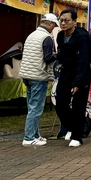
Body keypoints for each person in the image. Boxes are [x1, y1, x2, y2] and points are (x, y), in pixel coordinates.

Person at [18, 13, 58, 146]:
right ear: (50, 24)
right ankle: (29, 137)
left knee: (31, 107)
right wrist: (57, 55)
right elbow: (47, 58)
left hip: (27, 75)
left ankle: (35, 135)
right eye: (54, 25)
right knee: (36, 108)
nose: (54, 28)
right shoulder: (46, 37)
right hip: (38, 76)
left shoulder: (32, 35)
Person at [55, 9, 91, 147]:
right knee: (60, 104)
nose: (63, 23)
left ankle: (77, 136)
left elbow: (83, 61)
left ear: (75, 22)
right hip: (66, 73)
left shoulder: (81, 38)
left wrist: (78, 82)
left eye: (67, 20)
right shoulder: (59, 36)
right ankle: (78, 126)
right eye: (61, 20)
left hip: (81, 74)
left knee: (78, 105)